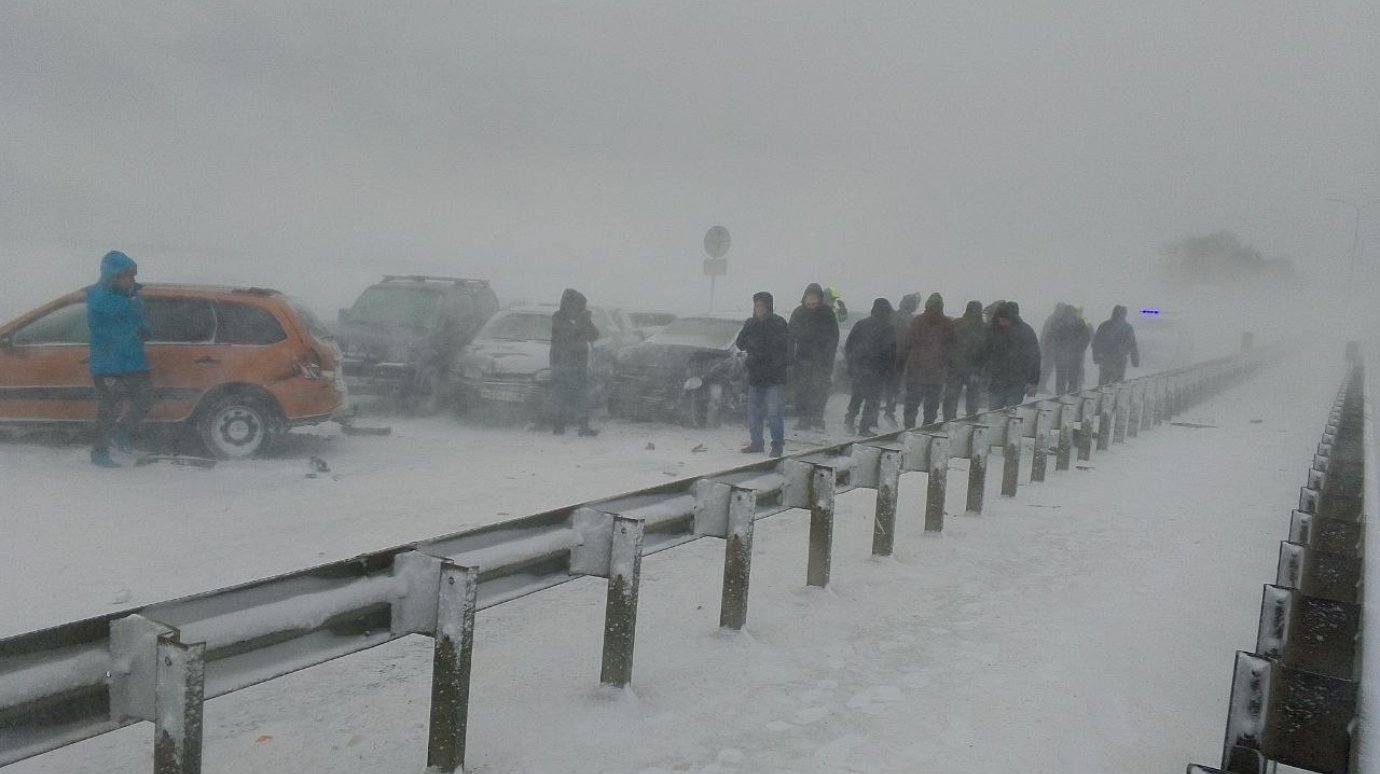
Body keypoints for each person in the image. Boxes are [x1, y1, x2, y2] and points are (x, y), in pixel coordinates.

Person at [86, 250, 154, 468]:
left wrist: (144, 330)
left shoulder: (129, 296)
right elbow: (120, 316)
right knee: (109, 408)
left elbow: (136, 322)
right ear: (112, 277)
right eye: (127, 276)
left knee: (145, 399)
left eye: (133, 276)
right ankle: (100, 453)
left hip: (133, 361)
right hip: (108, 365)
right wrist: (134, 300)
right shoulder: (100, 298)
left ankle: (122, 433)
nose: (131, 281)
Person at [736, 291, 790, 455]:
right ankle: (757, 443)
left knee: (774, 413)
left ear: (769, 306)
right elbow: (740, 343)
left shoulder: (779, 323)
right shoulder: (750, 323)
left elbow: (786, 348)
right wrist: (749, 340)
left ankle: (777, 445)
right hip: (756, 376)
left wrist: (777, 362)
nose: (759, 308)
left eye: (762, 305)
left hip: (775, 377)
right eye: (756, 305)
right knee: (754, 413)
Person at [896, 292, 956, 427]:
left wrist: (900, 363)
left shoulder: (917, 321)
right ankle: (927, 428)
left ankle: (909, 429)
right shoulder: (948, 324)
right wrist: (950, 367)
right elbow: (951, 349)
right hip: (936, 373)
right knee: (931, 406)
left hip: (916, 370)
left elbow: (907, 344)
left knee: (911, 404)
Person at [549, 288, 600, 436]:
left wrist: (587, 322)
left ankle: (577, 426)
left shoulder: (579, 319)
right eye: (579, 305)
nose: (581, 308)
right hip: (563, 363)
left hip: (575, 363)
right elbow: (568, 336)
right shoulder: (558, 318)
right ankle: (563, 425)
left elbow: (594, 336)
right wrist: (582, 321)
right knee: (566, 394)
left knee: (574, 394)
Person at [788, 283, 839, 431]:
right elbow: (790, 336)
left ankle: (817, 420)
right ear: (804, 298)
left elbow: (833, 337)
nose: (811, 303)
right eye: (808, 300)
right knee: (803, 390)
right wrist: (790, 356)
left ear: (820, 299)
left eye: (814, 300)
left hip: (822, 361)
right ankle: (803, 420)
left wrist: (828, 356)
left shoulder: (827, 313)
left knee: (820, 390)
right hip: (803, 359)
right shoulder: (798, 313)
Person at [842, 298, 896, 436]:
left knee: (857, 396)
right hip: (877, 370)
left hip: (860, 368)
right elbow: (891, 352)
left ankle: (849, 420)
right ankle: (864, 428)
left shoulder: (860, 324)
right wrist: (889, 370)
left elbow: (849, 345)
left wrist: (851, 364)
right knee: (872, 400)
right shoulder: (888, 328)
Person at [982, 301, 1041, 409]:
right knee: (993, 415)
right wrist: (981, 371)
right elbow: (984, 353)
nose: (1001, 323)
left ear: (1012, 319)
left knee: (1011, 415)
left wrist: (1033, 381)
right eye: (1000, 320)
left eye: (1004, 320)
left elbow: (1035, 357)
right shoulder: (993, 330)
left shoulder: (1026, 332)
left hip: (1017, 382)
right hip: (997, 381)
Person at [944, 299, 987, 419]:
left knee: (951, 398)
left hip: (955, 367)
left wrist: (948, 363)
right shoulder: (983, 328)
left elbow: (946, 344)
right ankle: (970, 421)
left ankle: (948, 422)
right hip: (975, 369)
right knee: (973, 399)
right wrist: (980, 368)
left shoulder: (956, 324)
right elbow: (986, 350)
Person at [882, 293, 920, 426]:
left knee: (882, 386)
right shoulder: (911, 320)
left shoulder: (892, 316)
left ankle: (874, 415)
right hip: (901, 358)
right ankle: (889, 411)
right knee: (894, 386)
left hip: (886, 356)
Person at [1046, 303, 1093, 394]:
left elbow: (1049, 337)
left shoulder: (1057, 322)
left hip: (1060, 354)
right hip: (1075, 355)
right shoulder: (1080, 322)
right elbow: (1086, 337)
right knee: (1073, 377)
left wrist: (1053, 349)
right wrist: (1079, 349)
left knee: (1061, 377)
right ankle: (1072, 394)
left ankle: (1060, 395)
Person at [1092, 304, 1140, 385]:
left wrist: (1096, 356)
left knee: (1103, 385)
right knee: (1116, 384)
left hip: (1106, 358)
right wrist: (1135, 359)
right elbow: (1132, 344)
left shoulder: (1104, 325)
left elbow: (1096, 343)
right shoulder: (1127, 327)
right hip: (1118, 359)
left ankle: (1102, 397)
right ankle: (1112, 396)